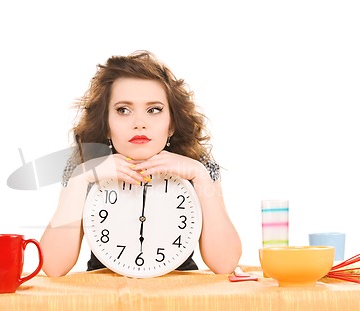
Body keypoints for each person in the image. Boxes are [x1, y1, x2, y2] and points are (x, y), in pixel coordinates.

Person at [40, 51, 242, 277]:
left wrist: (199, 174)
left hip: (178, 296)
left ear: (172, 124)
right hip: (105, 296)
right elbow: (53, 266)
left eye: (153, 110)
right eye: (123, 110)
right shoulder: (86, 166)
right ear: (106, 123)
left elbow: (225, 265)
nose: (139, 123)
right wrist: (82, 177)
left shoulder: (197, 165)